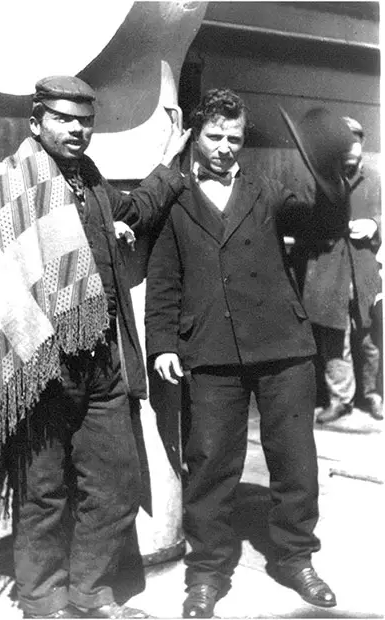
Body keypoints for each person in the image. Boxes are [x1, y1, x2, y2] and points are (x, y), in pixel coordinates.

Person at [0, 75, 190, 619]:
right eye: (63, 118)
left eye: (84, 120)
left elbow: (132, 213)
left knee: (116, 483)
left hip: (103, 361)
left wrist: (168, 164)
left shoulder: (92, 182)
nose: (76, 129)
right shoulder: (3, 185)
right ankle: (42, 601)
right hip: (40, 368)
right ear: (36, 122)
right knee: (44, 494)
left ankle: (90, 593)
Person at [144, 89, 342, 618]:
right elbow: (163, 281)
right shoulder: (174, 196)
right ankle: (207, 572)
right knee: (209, 464)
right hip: (208, 350)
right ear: (194, 135)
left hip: (283, 347)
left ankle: (295, 557)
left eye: (235, 138)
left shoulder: (268, 191)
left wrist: (332, 185)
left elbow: (319, 227)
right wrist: (163, 343)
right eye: (215, 136)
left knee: (295, 460)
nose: (227, 147)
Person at [292, 116, 382, 424]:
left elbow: (382, 217)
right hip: (329, 268)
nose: (351, 149)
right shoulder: (315, 179)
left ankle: (373, 394)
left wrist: (374, 226)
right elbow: (297, 220)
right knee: (333, 339)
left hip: (364, 269)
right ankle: (340, 399)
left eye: (356, 141)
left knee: (371, 336)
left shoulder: (374, 179)